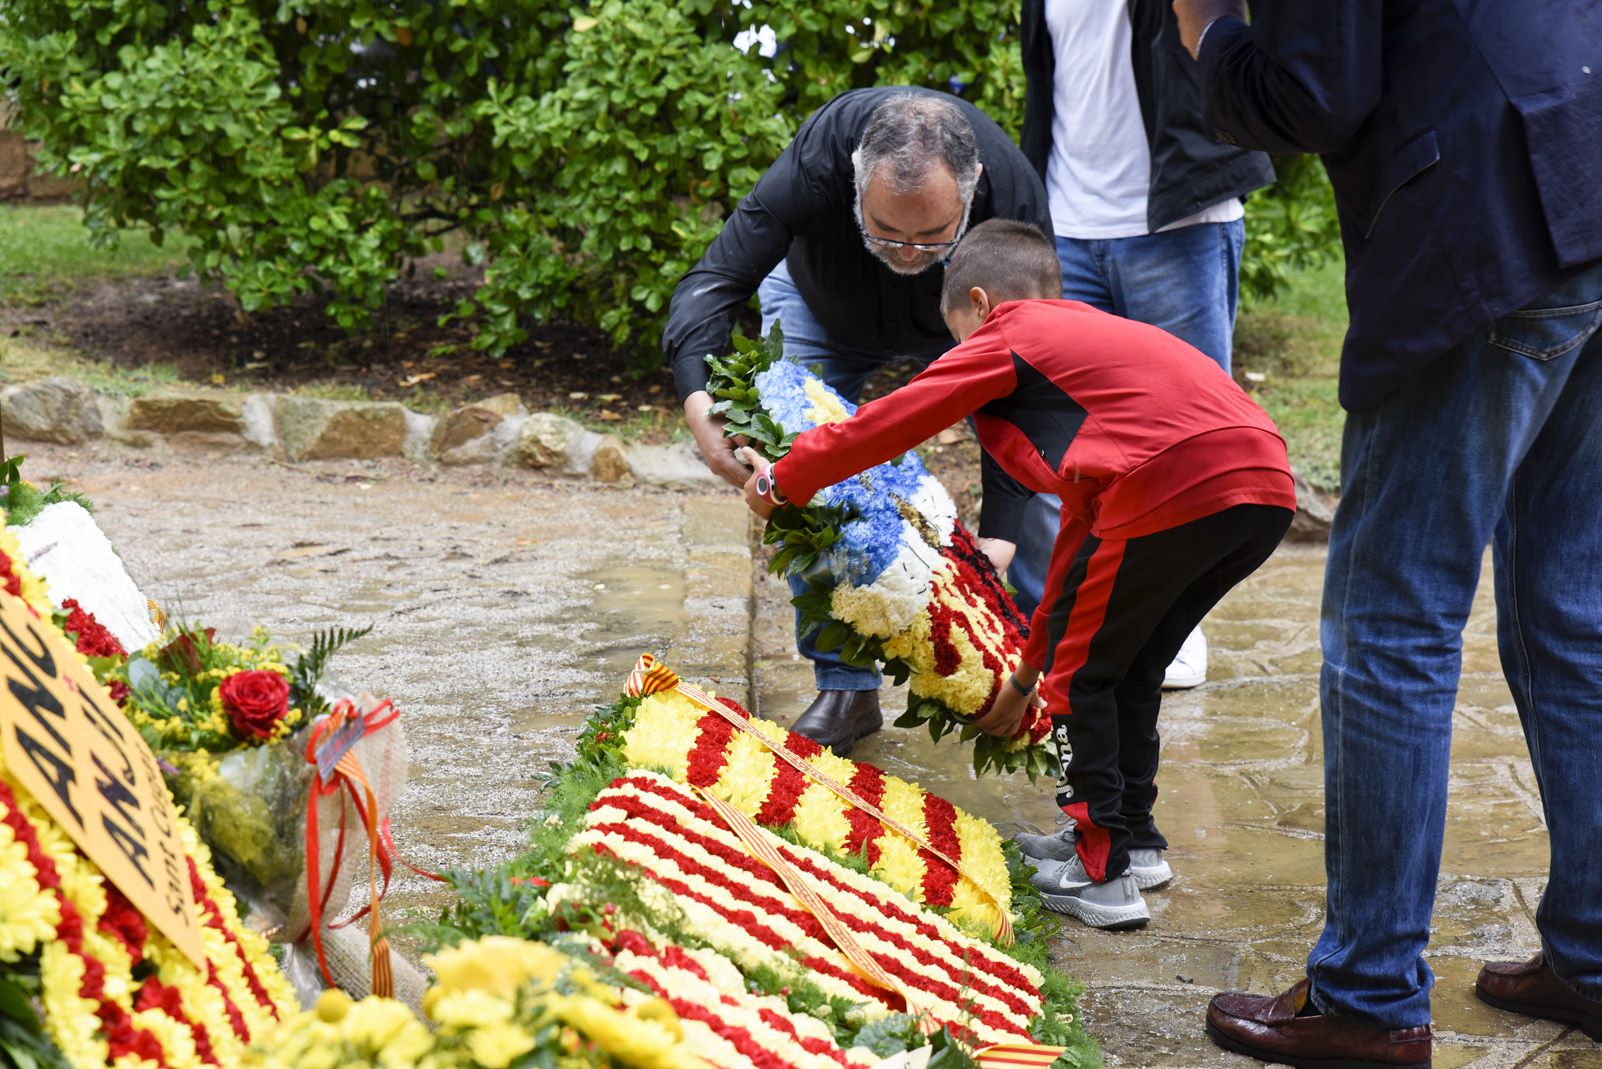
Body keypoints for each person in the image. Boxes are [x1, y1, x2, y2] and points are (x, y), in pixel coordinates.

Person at [1172, 1, 1602, 1064]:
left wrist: (1205, 28)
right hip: (1589, 193)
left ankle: (1366, 993)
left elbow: (1317, 94)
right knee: (1571, 615)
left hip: (1485, 226)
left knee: (1389, 627)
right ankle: (1596, 957)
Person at [738, 219, 1296, 928]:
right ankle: (1134, 839)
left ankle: (1104, 876)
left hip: (1170, 481)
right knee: (1128, 663)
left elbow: (890, 421)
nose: (959, 356)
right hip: (1259, 485)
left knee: (1084, 674)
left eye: (957, 337)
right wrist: (1026, 672)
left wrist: (783, 481)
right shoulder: (1095, 349)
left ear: (980, 304)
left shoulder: (1015, 333)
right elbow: (1080, 534)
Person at [662, 87, 1052, 756]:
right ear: (851, 177)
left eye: (931, 235)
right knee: (804, 470)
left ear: (974, 188)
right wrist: (700, 404)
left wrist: (1002, 536)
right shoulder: (817, 157)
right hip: (822, 305)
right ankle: (846, 686)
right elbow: (716, 280)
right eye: (884, 229)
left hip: (956, 322)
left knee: (1038, 497)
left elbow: (1026, 376)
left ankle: (1023, 667)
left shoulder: (1012, 190)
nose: (905, 252)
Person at [1013, 0, 1277, 690]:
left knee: (1188, 444)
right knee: (1061, 442)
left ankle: (1173, 627)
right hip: (1066, 225)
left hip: (1180, 220)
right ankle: (1060, 623)